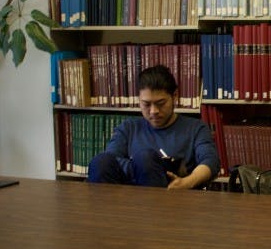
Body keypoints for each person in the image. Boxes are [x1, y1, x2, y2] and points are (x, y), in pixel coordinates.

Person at [87, 64, 219, 189]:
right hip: (126, 198)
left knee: (145, 159)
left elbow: (210, 161)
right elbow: (111, 159)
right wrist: (146, 167)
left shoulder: (196, 128)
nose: (153, 111)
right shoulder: (128, 128)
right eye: (146, 104)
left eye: (160, 103)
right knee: (100, 162)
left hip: (173, 196)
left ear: (174, 97)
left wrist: (186, 182)